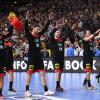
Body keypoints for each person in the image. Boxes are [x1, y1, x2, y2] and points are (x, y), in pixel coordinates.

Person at [24, 11, 54, 97]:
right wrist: (26, 18)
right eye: (37, 29)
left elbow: (45, 28)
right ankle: (26, 90)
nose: (39, 30)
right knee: (29, 73)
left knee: (42, 73)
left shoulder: (39, 35)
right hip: (32, 57)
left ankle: (46, 90)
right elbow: (26, 27)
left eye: (39, 29)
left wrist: (49, 19)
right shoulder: (29, 35)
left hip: (39, 58)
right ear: (33, 29)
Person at [0, 25, 13, 99]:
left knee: (1, 77)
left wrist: (11, 24)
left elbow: (10, 33)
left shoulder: (2, 37)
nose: (1, 31)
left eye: (1, 30)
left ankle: (0, 94)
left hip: (2, 61)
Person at [4, 26, 16, 94]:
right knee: (1, 76)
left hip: (10, 60)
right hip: (3, 61)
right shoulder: (3, 40)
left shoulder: (10, 41)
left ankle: (10, 88)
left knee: (11, 73)